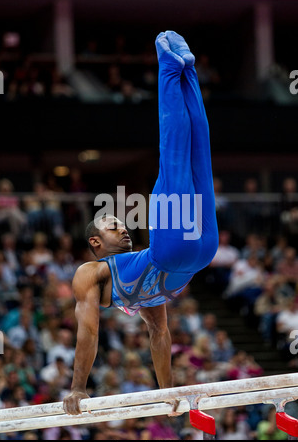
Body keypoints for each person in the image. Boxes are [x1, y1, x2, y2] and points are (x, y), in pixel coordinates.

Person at [63, 31, 218, 415]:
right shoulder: (92, 273)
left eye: (122, 222)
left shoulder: (138, 295)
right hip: (188, 255)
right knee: (177, 156)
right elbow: (88, 331)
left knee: (197, 152)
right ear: (95, 244)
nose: (124, 228)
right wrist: (78, 388)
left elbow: (159, 333)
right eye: (112, 226)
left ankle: (188, 71)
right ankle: (172, 68)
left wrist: (166, 392)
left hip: (191, 255)